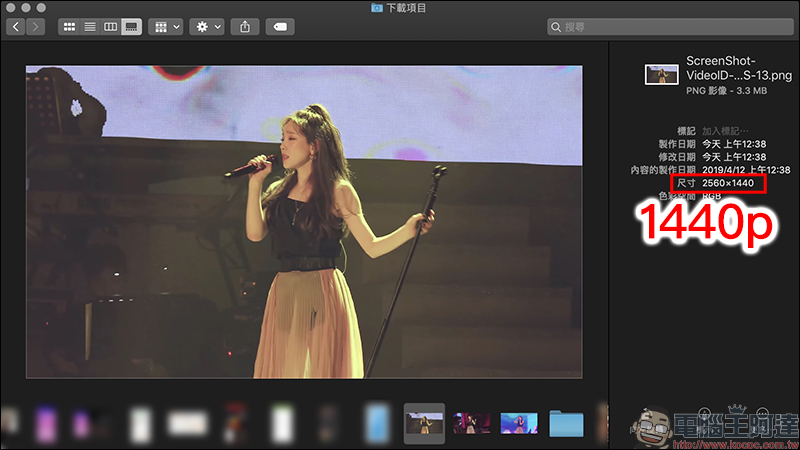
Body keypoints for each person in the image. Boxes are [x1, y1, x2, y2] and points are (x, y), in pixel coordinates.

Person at [247, 104, 435, 378]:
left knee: (323, 370)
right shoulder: (278, 190)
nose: (283, 146)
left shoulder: (339, 191)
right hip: (285, 289)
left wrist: (408, 230)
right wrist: (255, 184)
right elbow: (254, 234)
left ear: (314, 147)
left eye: (291, 138)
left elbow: (372, 247)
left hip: (321, 288)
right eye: (282, 138)